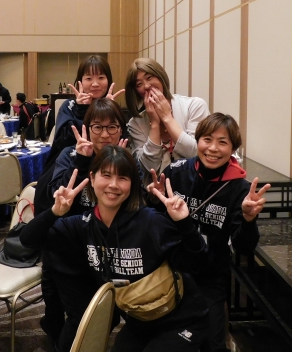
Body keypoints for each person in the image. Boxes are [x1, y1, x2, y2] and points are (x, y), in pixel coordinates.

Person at [22, 146, 210, 352]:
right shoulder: (83, 225)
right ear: (92, 178)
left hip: (181, 321)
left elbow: (198, 265)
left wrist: (184, 223)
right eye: (106, 175)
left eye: (122, 178)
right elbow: (28, 240)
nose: (113, 184)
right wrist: (55, 212)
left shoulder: (149, 222)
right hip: (139, 323)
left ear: (131, 185)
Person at [149, 113, 270, 352]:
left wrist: (248, 219)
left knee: (212, 342)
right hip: (170, 268)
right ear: (197, 141)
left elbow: (244, 247)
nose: (213, 148)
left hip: (210, 274)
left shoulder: (239, 189)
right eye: (207, 139)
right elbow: (156, 223)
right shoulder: (177, 172)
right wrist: (154, 199)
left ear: (233, 149)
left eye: (222, 142)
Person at [36, 99, 130, 344]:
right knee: (62, 312)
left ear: (121, 129)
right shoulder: (70, 154)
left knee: (105, 314)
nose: (105, 134)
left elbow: (137, 204)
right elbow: (55, 196)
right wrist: (80, 159)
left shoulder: (126, 158)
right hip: (68, 248)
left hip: (107, 250)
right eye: (97, 127)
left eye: (112, 127)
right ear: (87, 128)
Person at [125, 58, 209, 178]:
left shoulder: (194, 106)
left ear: (161, 76)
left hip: (195, 185)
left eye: (149, 77)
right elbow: (148, 167)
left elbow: (197, 153)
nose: (147, 86)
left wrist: (167, 118)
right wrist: (154, 124)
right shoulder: (136, 123)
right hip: (155, 187)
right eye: (139, 84)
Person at [46, 55, 124, 170]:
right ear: (80, 81)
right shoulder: (69, 106)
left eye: (101, 77)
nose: (95, 83)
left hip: (107, 166)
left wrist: (108, 110)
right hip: (70, 164)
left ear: (108, 80)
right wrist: (81, 110)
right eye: (89, 78)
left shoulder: (113, 106)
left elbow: (122, 140)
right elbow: (62, 142)